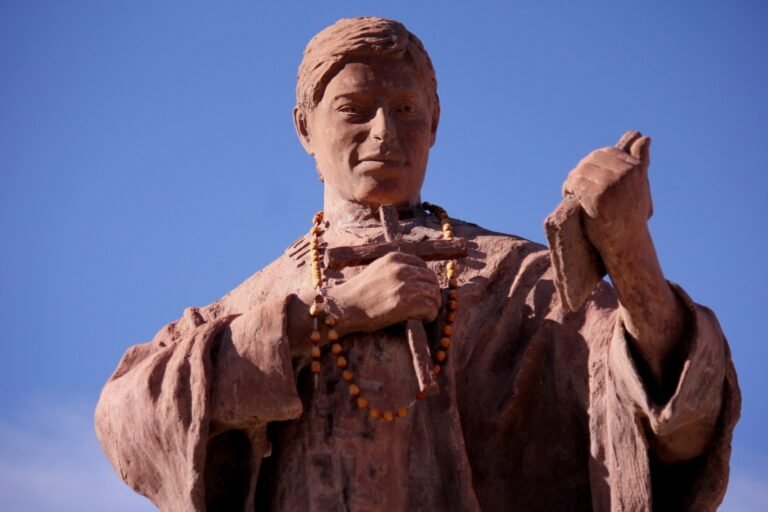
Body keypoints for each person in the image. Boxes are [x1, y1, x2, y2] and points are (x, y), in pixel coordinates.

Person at [95, 17, 739, 511]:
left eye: (405, 111)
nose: (383, 133)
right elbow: (125, 418)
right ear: (303, 128)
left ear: (435, 124)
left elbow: (680, 433)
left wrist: (630, 255)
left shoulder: (522, 281)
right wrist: (329, 315)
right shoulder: (252, 303)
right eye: (353, 110)